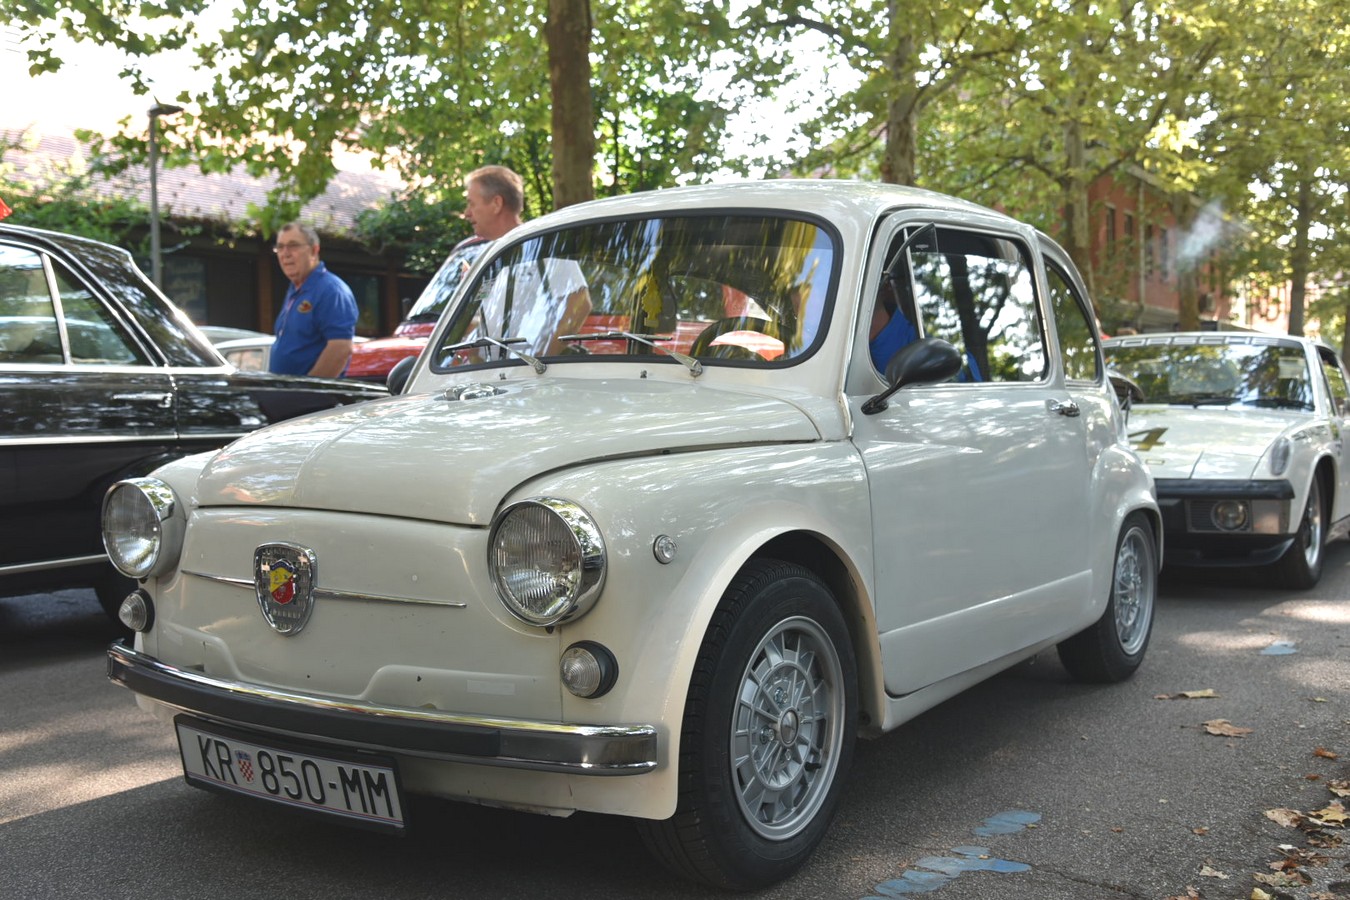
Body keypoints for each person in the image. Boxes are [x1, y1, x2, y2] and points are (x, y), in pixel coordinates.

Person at [268, 222, 358, 377]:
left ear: (314, 250)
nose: (285, 253)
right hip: (285, 395)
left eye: (293, 245)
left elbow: (340, 348)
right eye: (280, 247)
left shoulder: (331, 290)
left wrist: (307, 392)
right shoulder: (295, 289)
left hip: (311, 399)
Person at [462, 165, 525, 242]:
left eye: (472, 204)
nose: (466, 213)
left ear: (497, 204)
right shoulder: (464, 249)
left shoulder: (536, 245)